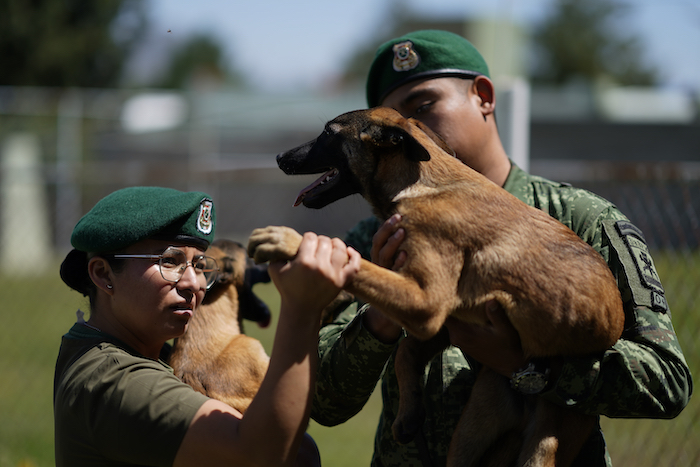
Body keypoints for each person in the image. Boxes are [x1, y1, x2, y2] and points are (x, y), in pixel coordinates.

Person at [310, 30, 692, 466]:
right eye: (390, 125)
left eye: (422, 108)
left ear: (484, 97)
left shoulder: (580, 220)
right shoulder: (372, 240)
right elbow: (324, 403)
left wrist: (529, 370)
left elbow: (667, 383)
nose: (405, 134)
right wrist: (385, 310)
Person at [54, 186, 361, 467]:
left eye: (200, 264)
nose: (193, 283)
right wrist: (302, 309)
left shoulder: (137, 350)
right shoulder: (113, 381)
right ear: (103, 275)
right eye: (169, 261)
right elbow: (265, 456)